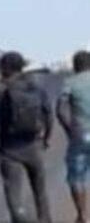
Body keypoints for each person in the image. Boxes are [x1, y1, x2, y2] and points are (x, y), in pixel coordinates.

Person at [0, 51, 53, 223]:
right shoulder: (35, 87)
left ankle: (22, 219)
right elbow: (48, 113)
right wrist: (46, 137)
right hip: (34, 146)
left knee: (14, 196)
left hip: (10, 150)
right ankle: (44, 219)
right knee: (40, 193)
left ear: (5, 68)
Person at [57, 50, 90, 223]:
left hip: (81, 134)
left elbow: (60, 110)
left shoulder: (69, 83)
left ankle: (83, 215)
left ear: (75, 66)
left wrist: (70, 131)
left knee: (76, 177)